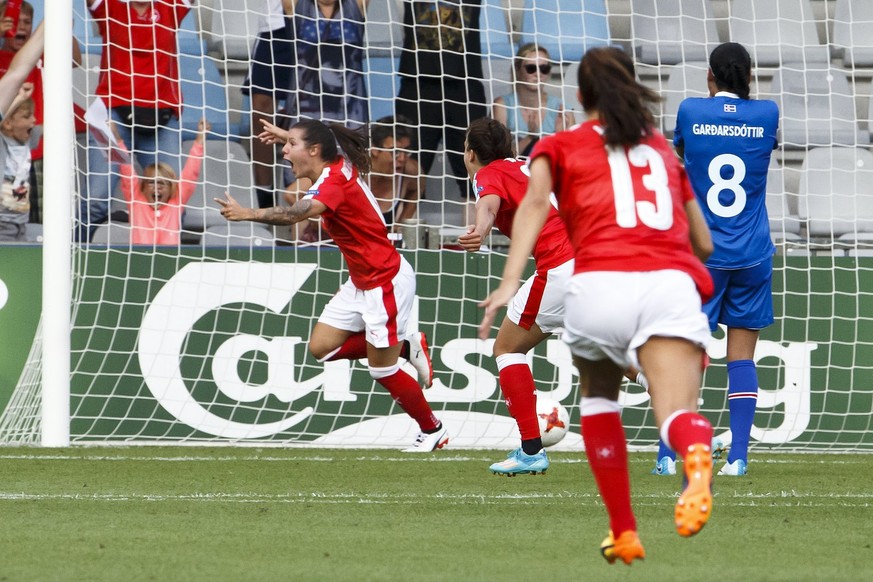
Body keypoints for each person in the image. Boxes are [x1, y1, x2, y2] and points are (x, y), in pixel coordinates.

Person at [479, 46, 716, 565]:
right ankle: (695, 457)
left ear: (581, 95)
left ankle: (624, 530)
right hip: (670, 282)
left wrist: (509, 280)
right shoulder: (660, 149)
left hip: (601, 279)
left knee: (600, 399)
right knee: (676, 412)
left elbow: (536, 208)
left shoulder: (558, 145)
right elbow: (703, 243)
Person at [216, 118, 447, 452]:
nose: (283, 152)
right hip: (361, 280)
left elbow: (295, 214)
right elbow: (322, 144)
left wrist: (246, 213)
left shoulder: (333, 182)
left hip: (385, 280)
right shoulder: (336, 162)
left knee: (382, 372)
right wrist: (287, 135)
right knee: (322, 348)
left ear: (313, 151)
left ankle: (433, 430)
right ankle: (407, 344)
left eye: (289, 146)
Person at [649, 42, 778, 478]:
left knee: (684, 356)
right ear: (750, 76)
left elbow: (683, 155)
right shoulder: (767, 114)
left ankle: (670, 454)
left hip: (701, 255)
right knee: (741, 359)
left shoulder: (690, 111)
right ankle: (738, 457)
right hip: (752, 253)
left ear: (710, 77)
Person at [458, 117, 574, 475]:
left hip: (561, 263)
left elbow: (488, 204)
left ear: (471, 152)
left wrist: (479, 229)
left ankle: (530, 450)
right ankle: (685, 425)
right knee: (614, 352)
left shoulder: (487, 172)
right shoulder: (528, 165)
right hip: (598, 260)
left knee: (507, 349)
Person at [80, 0, 194, 242]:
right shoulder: (109, 7)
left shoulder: (170, 6)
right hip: (114, 116)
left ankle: (167, 263)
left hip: (162, 120)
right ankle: (73, 261)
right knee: (97, 202)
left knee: (173, 200)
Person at [395, 0, 488, 215]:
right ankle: (398, 238)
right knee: (408, 169)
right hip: (418, 84)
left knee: (473, 170)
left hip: (464, 84)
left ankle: (474, 241)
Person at [116, 118, 209, 246]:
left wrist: (200, 140)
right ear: (143, 187)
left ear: (171, 188)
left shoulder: (176, 202)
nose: (156, 187)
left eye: (162, 183)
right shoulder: (136, 199)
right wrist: (117, 140)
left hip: (169, 261)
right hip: (140, 260)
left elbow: (191, 173)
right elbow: (125, 167)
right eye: (151, 183)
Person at [244, 0, 294, 209]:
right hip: (276, 26)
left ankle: (300, 184)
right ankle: (264, 191)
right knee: (261, 106)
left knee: (309, 105)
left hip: (321, 21)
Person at [492, 43, 575, 158]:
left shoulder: (561, 108)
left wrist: (560, 135)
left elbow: (571, 158)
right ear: (517, 69)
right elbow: (500, 157)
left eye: (544, 69)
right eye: (531, 68)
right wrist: (530, 137)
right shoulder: (503, 105)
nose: (538, 74)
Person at [369, 115, 422, 232]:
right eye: (395, 151)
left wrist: (399, 226)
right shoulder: (352, 173)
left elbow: (417, 189)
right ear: (375, 149)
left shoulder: (412, 173)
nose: (402, 158)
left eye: (406, 150)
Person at [0, 86, 35, 240]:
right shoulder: (2, 142)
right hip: (2, 222)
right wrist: (19, 99)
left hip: (20, 222)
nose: (34, 120)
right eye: (27, 117)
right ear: (8, 123)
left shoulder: (27, 141)